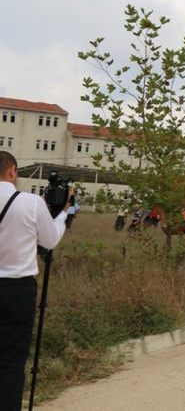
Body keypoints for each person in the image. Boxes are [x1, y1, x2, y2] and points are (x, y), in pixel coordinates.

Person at [0, 152, 68, 410]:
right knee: (11, 361)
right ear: (12, 171)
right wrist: (62, 215)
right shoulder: (31, 202)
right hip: (17, 289)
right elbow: (49, 241)